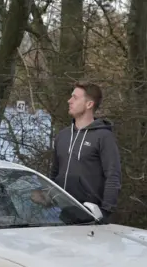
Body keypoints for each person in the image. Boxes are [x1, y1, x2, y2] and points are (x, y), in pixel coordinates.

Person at [49, 81, 121, 222]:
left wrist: (105, 211)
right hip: (61, 216)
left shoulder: (103, 137)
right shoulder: (62, 136)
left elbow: (113, 176)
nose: (69, 101)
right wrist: (48, 197)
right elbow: (54, 174)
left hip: (91, 217)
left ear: (89, 104)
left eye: (75, 98)